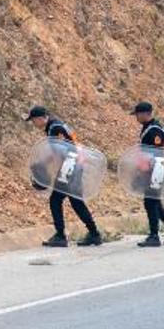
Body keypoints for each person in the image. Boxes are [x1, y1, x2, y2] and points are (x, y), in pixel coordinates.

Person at [26, 106, 103, 248]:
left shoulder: (54, 128)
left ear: (40, 118)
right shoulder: (56, 125)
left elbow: (61, 153)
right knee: (76, 201)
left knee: (56, 200)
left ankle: (61, 236)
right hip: (74, 164)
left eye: (33, 120)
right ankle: (94, 233)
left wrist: (44, 168)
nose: (33, 124)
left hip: (70, 166)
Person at [133, 102, 164, 247]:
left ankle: (154, 236)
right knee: (154, 201)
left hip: (157, 170)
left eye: (137, 114)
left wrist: (147, 171)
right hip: (153, 170)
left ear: (145, 113)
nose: (136, 117)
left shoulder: (155, 130)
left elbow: (157, 153)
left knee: (150, 201)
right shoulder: (148, 128)